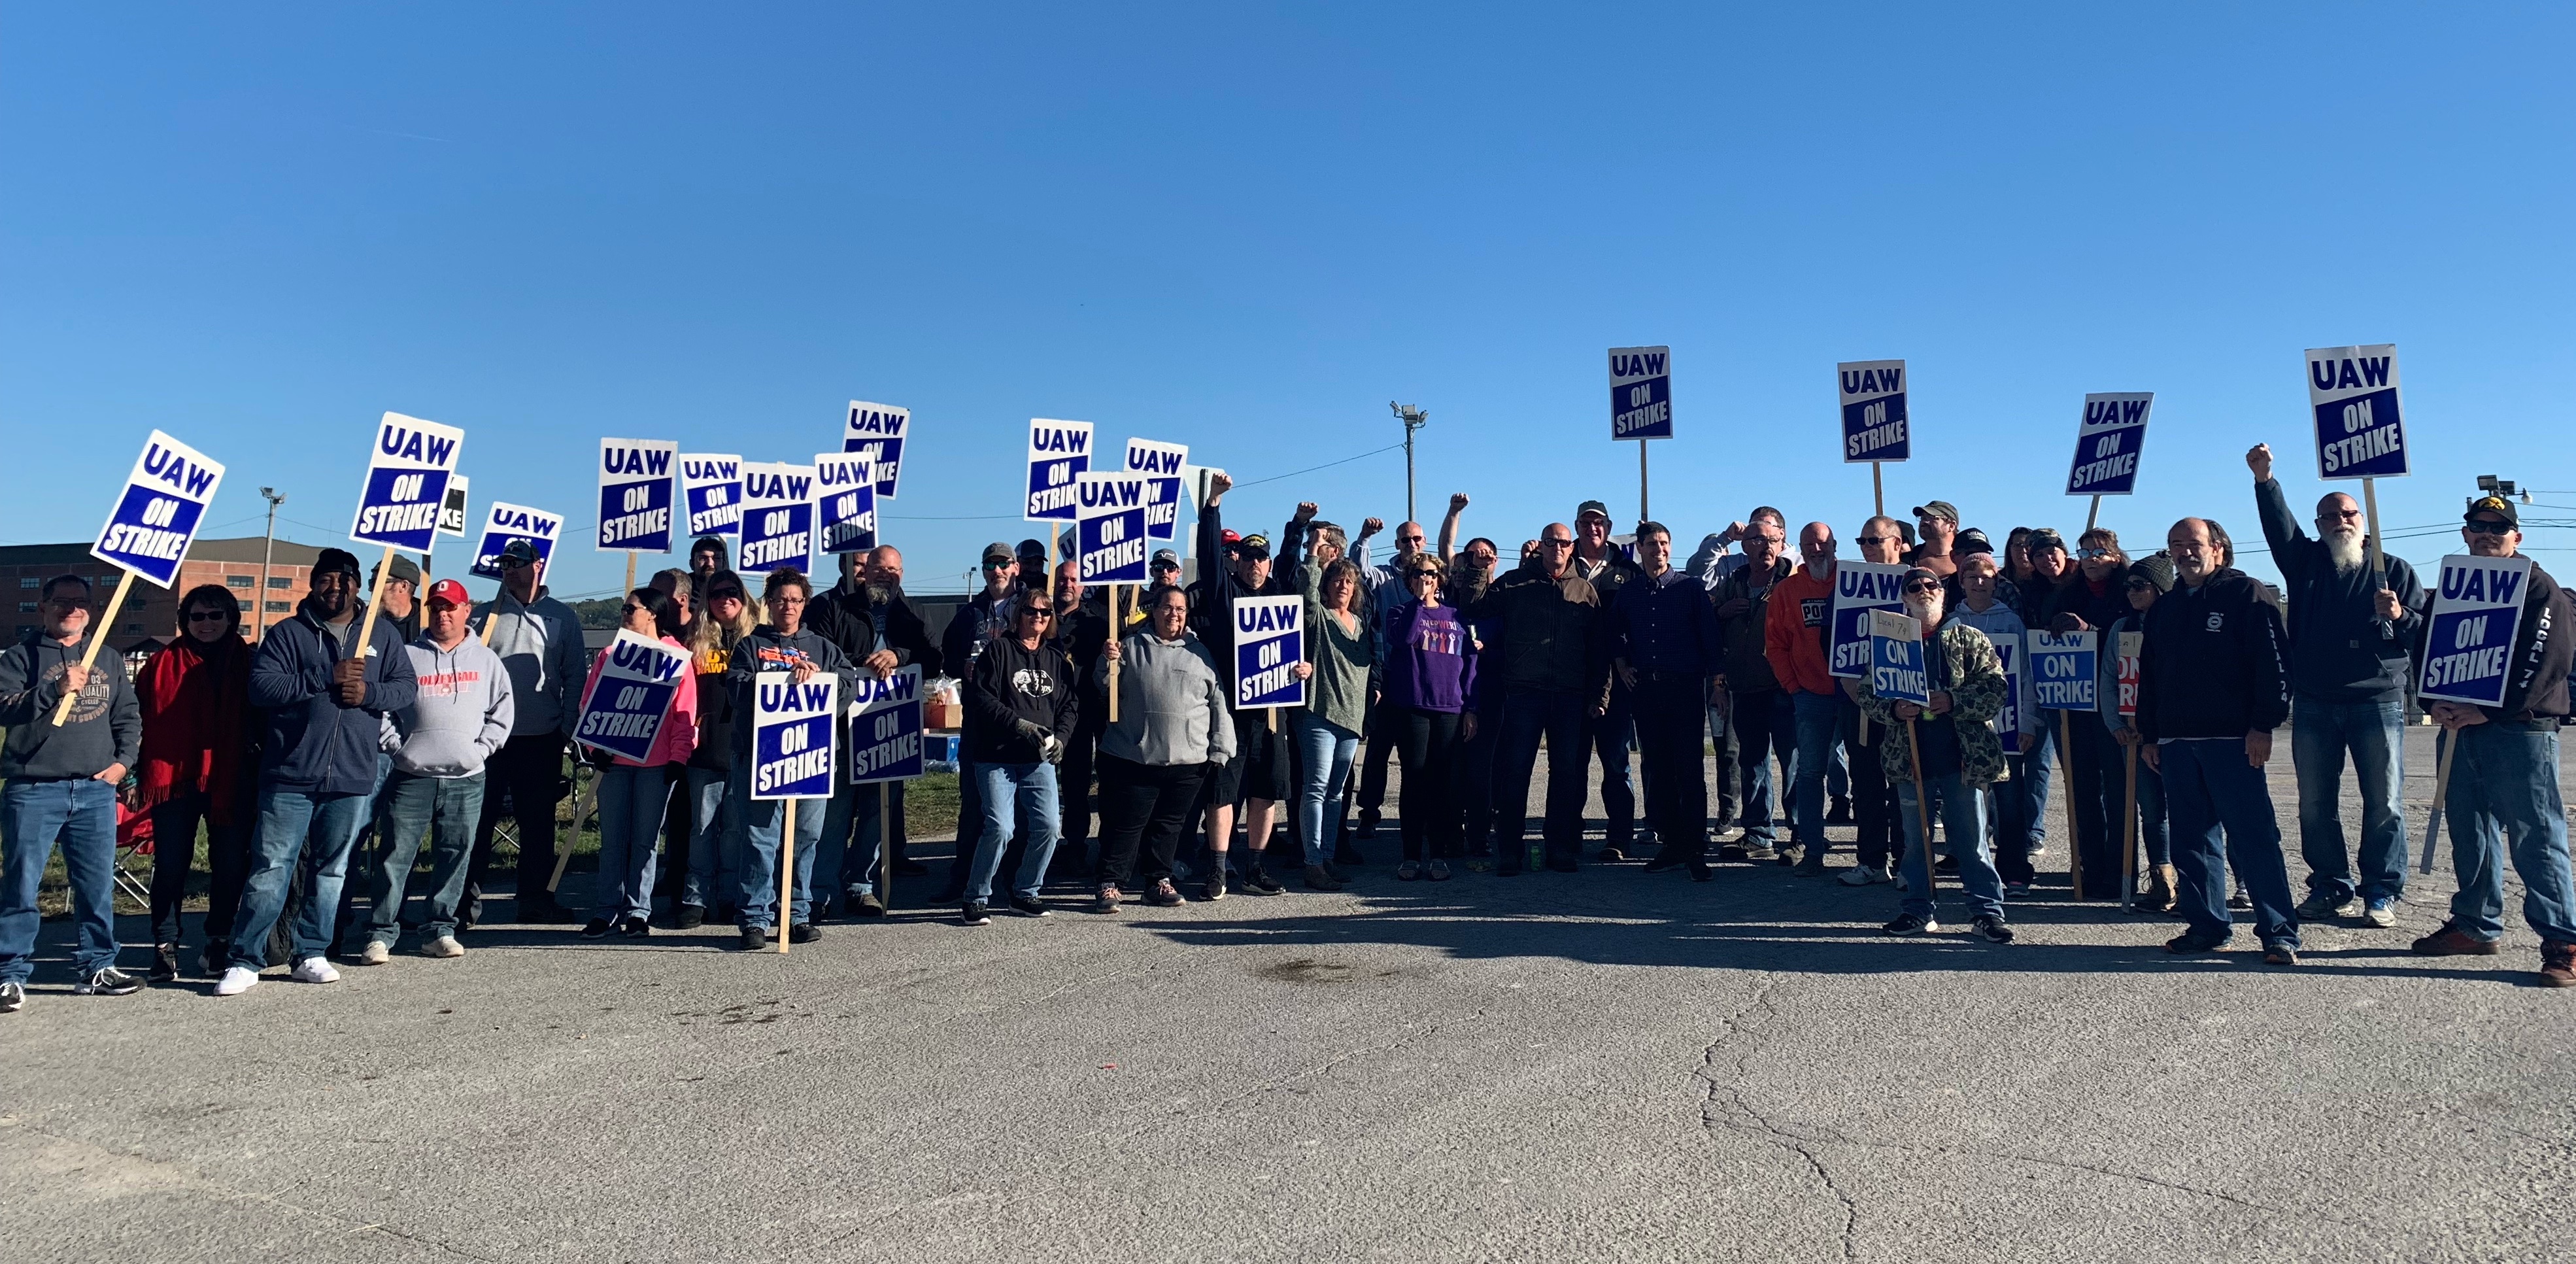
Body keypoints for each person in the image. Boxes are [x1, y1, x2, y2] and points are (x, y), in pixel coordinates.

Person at [219, 549, 420, 997]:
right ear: (313, 584)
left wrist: (368, 691)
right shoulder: (288, 634)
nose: (337, 587)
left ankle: (310, 951)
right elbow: (263, 687)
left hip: (351, 774)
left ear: (357, 586)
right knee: (271, 867)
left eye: (345, 580)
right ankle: (245, 957)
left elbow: (406, 688)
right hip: (289, 774)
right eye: (327, 579)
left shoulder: (381, 635)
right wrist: (325, 676)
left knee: (331, 870)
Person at [2246, 445, 2427, 927]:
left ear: (2363, 520)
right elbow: (2279, 528)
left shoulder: (2395, 569)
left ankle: (2382, 889)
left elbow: (2424, 631)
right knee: (2314, 802)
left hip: (2378, 701)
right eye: (2330, 515)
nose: (2340, 520)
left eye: (2349, 513)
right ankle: (2330, 884)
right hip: (2316, 702)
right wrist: (2266, 479)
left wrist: (2399, 614)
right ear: (2319, 522)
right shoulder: (2304, 563)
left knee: (2385, 800)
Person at [2411, 496, 2576, 985]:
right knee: (2471, 831)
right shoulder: (2454, 589)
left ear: (2517, 538)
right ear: (2465, 534)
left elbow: (2548, 664)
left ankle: (2563, 939)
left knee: (2536, 837)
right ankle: (2476, 924)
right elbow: (2427, 649)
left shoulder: (2540, 588)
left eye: (2498, 529)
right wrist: (2431, 703)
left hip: (2519, 731)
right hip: (2459, 729)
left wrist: (2489, 710)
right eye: (2478, 526)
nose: (2487, 534)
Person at [2137, 518, 2299, 965]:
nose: (2185, 552)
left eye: (2194, 544)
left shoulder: (2247, 594)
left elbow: (2275, 664)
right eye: (2176, 546)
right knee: (2191, 841)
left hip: (2234, 740)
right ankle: (2208, 925)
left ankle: (2279, 931)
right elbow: (2147, 678)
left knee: (2253, 837)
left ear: (2219, 549)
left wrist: (2264, 725)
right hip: (2175, 742)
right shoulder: (2165, 608)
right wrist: (2151, 735)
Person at [0, 574, 145, 1010]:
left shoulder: (108, 658)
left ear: (90, 609)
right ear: (43, 607)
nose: (70, 609)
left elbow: (129, 717)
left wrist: (122, 764)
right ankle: (9, 973)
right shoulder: (19, 656)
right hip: (33, 787)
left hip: (95, 790)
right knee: (22, 886)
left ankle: (97, 965)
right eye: (60, 601)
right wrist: (53, 690)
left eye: (79, 602)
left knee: (97, 886)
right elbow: (3, 708)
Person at [1856, 568, 2014, 942]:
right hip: (1909, 758)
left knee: (1971, 840)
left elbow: (1996, 690)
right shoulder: (1888, 643)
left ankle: (1987, 913)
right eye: (1914, 587)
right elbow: (1866, 693)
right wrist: (1894, 709)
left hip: (1963, 758)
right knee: (1915, 842)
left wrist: (1953, 700)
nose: (1924, 591)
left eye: (1931, 585)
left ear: (1943, 593)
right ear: (1904, 597)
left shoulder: (1968, 638)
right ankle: (1917, 909)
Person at [363, 579, 513, 963]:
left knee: (456, 853)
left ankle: (439, 929)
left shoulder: (486, 660)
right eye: (435, 608)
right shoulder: (407, 655)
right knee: (395, 854)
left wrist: (481, 752)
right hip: (412, 775)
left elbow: (502, 712)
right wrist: (398, 748)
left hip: (466, 777)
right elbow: (382, 708)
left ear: (467, 611)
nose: (442, 615)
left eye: (450, 607)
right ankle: (380, 933)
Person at [723, 568, 855, 949]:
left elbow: (847, 687)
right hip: (760, 756)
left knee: (806, 837)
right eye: (780, 599)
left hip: (810, 757)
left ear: (805, 604)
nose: (788, 606)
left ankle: (796, 913)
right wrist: (783, 678)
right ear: (769, 603)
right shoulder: (750, 645)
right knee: (760, 838)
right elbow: (737, 688)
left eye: (795, 600)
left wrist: (819, 679)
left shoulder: (824, 648)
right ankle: (754, 918)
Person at [1468, 522, 1609, 874]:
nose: (1557, 548)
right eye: (1551, 542)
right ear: (1541, 546)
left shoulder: (1585, 591)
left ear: (1571, 548)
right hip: (1524, 692)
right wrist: (1477, 570)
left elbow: (1598, 650)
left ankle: (1559, 849)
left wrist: (1600, 694)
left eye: (1563, 543)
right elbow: (1475, 608)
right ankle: (1510, 852)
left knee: (1565, 774)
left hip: (1569, 696)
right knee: (1515, 773)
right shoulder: (1515, 583)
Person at [135, 584, 258, 981]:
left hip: (231, 776)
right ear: (185, 621)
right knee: (170, 864)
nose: (206, 624)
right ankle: (164, 944)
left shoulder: (251, 660)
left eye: (216, 615)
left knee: (228, 865)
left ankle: (217, 940)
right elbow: (137, 718)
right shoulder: (159, 665)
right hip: (174, 777)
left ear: (231, 619)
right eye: (197, 616)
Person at [465, 538, 587, 926]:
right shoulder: (484, 617)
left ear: (538, 566)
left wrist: (567, 728)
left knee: (537, 826)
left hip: (541, 737)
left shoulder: (562, 618)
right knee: (477, 823)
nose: (510, 569)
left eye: (518, 562)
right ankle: (463, 905)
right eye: (505, 564)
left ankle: (535, 899)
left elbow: (574, 676)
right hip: (489, 739)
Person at [1091, 585, 1235, 910]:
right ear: (1153, 611)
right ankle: (1110, 882)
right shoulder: (1128, 646)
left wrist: (1221, 747)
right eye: (1168, 608)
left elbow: (1218, 701)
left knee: (1169, 827)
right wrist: (1106, 661)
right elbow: (1103, 689)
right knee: (1126, 825)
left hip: (1188, 761)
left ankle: (1158, 881)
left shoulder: (1200, 652)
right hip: (1134, 756)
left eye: (1181, 609)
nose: (1174, 614)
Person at [1187, 473, 1297, 895]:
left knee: (1266, 791)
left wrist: (1300, 669)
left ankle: (1255, 867)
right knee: (1223, 789)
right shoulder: (1224, 591)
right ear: (1239, 561)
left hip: (1271, 710)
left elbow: (1291, 564)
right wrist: (1212, 506)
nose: (1254, 564)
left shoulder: (1280, 600)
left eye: (1261, 558)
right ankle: (1218, 868)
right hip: (1230, 711)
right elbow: (1210, 556)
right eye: (1248, 557)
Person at [822, 545, 942, 915]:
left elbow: (934, 658)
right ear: (864, 571)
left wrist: (899, 656)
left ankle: (861, 884)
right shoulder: (834, 606)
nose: (883, 574)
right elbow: (818, 653)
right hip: (840, 727)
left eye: (892, 569)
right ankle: (821, 890)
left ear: (901, 574)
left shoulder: (912, 613)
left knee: (878, 812)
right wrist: (860, 666)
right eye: (877, 568)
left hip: (890, 729)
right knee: (835, 812)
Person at [577, 587, 698, 940]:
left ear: (652, 615)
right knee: (612, 839)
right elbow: (589, 702)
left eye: (630, 609)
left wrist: (679, 757)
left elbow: (684, 714)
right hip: (613, 760)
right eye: (623, 608)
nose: (624, 614)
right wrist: (592, 744)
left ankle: (638, 911)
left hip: (658, 764)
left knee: (645, 841)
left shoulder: (677, 657)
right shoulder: (610, 655)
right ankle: (605, 910)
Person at [1606, 522, 1720, 878]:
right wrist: (1622, 664)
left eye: (1665, 543)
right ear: (1639, 548)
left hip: (1684, 690)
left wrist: (1718, 684)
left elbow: (1711, 639)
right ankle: (1673, 844)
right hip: (1646, 691)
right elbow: (1612, 633)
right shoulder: (1629, 592)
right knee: (1659, 770)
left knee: (1690, 771)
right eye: (1653, 543)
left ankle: (1695, 847)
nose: (1660, 549)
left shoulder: (1689, 588)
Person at [960, 599, 1079, 924]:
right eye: (1031, 610)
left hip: (1038, 760)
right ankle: (976, 896)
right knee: (1000, 828)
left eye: (1045, 612)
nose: (1038, 617)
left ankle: (1026, 892)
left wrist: (1063, 740)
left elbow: (1070, 706)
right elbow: (982, 698)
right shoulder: (998, 651)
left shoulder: (1057, 660)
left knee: (1050, 827)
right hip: (995, 757)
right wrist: (1019, 725)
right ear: (1019, 615)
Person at [2042, 527, 2131, 898]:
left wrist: (2090, 630)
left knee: (2118, 791)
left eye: (2101, 553)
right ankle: (2090, 868)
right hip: (2074, 703)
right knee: (2082, 791)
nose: (2093, 560)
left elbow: (2129, 636)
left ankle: (2121, 871)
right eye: (2087, 552)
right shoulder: (2070, 593)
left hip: (2113, 705)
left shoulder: (2129, 590)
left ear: (2115, 555)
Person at [1950, 549, 2044, 897]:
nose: (1978, 583)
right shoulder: (1952, 625)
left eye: (1986, 578)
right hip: (1966, 729)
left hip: (2009, 725)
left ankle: (2015, 869)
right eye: (1971, 577)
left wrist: (2028, 722)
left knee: (2010, 801)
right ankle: (1976, 870)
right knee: (1970, 803)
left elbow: (2028, 677)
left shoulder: (2012, 622)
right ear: (1961, 583)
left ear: (1996, 583)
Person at [933, 543, 1024, 903]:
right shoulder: (969, 613)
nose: (997, 570)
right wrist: (962, 668)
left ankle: (1015, 882)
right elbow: (948, 657)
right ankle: (962, 879)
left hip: (1020, 721)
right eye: (990, 564)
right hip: (979, 723)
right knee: (973, 805)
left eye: (1003, 564)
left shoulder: (1029, 607)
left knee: (1021, 811)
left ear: (1015, 567)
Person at [1830, 517, 1911, 880]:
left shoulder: (1916, 583)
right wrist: (1849, 683)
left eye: (1875, 540)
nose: (1866, 547)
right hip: (1859, 702)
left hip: (1904, 702)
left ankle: (1909, 862)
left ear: (1898, 543)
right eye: (1862, 541)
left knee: (1903, 786)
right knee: (1866, 784)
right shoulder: (1846, 588)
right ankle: (1872, 862)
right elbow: (1833, 641)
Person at [1292, 558, 1378, 890]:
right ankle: (1312, 862)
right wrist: (1313, 557)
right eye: (1337, 580)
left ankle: (1327, 856)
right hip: (1319, 714)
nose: (1343, 586)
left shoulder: (1359, 622)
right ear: (1326, 585)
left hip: (1352, 718)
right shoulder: (1318, 618)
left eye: (1349, 581)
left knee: (1336, 793)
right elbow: (1306, 598)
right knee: (1315, 789)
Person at [675, 570, 754, 927]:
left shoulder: (759, 640)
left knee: (737, 830)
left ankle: (728, 897)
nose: (726, 599)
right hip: (704, 747)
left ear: (744, 596)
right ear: (707, 600)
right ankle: (695, 898)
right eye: (717, 593)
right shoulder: (694, 641)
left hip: (746, 747)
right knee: (702, 828)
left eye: (733, 592)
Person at [2098, 556, 2176, 912]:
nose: (2131, 593)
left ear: (2160, 589)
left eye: (2139, 586)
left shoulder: (2180, 622)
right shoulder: (2121, 629)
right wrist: (2117, 724)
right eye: (2128, 586)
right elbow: (2110, 680)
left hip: (2176, 733)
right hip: (2133, 734)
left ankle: (2218, 882)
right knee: (2152, 809)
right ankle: (2163, 880)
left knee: (2194, 809)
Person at [1716, 513, 1795, 863]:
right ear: (1744, 546)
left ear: (1782, 541)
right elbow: (1709, 629)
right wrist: (1721, 612)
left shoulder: (1792, 581)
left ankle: (1801, 836)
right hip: (1744, 686)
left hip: (1784, 687)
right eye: (1757, 540)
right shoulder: (1733, 582)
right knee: (1752, 763)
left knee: (1793, 763)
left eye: (1772, 540)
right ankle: (1759, 834)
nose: (1765, 546)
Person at [1568, 500, 1643, 861]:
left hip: (1616, 684)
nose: (1592, 528)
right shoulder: (1561, 566)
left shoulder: (1628, 571)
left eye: (1599, 523)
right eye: (1586, 522)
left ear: (1609, 527)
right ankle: (1569, 835)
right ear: (1577, 526)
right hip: (1571, 681)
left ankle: (1619, 838)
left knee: (1616, 763)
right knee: (1572, 763)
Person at [1766, 522, 1843, 870]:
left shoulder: (1854, 583)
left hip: (1858, 695)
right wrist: (1793, 687)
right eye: (1809, 544)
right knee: (1810, 773)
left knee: (1873, 773)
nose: (1816, 550)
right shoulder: (1787, 591)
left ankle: (1877, 854)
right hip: (1811, 696)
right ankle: (1812, 849)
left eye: (1822, 543)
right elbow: (1775, 645)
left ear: (1834, 545)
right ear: (1799, 548)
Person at [1045, 560, 1113, 882]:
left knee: (1090, 782)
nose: (1067, 584)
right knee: (1059, 783)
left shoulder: (1100, 618)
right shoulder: (1040, 617)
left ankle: (1082, 847)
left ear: (1083, 586)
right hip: (1049, 711)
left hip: (1093, 709)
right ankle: (1047, 846)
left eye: (1074, 579)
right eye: (1062, 579)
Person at [1909, 501, 1962, 578]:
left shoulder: (1964, 559)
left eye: (1932, 518)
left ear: (1951, 526)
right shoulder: (1908, 559)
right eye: (1923, 518)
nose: (1924, 522)